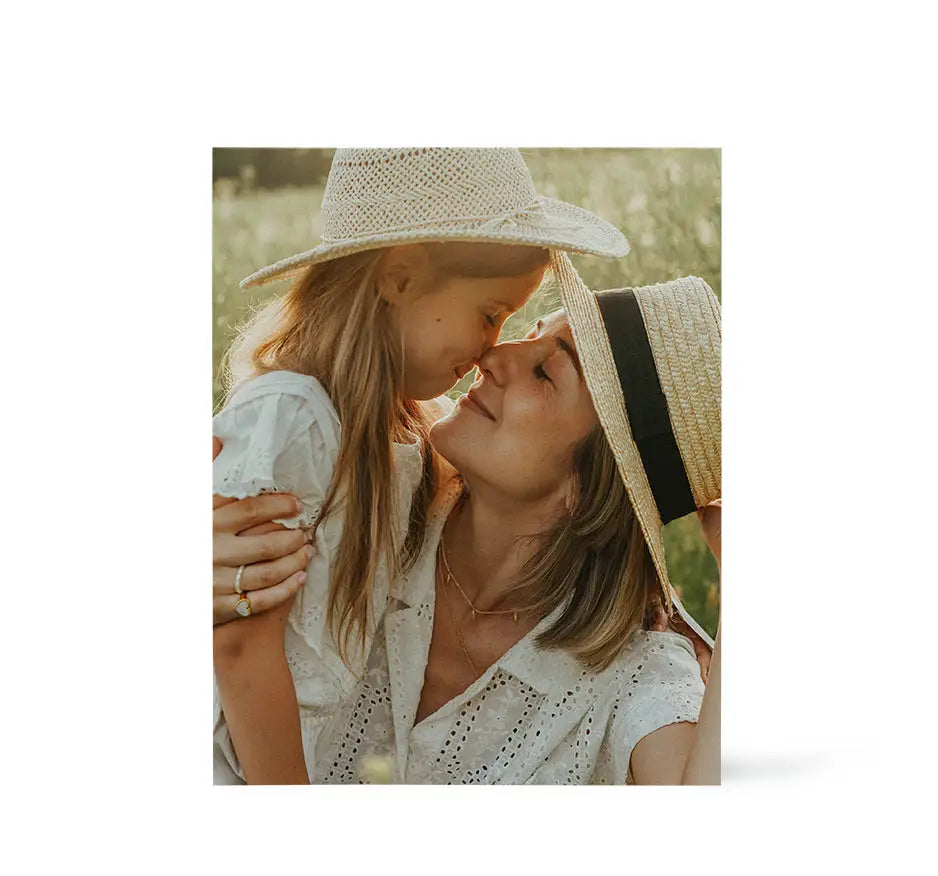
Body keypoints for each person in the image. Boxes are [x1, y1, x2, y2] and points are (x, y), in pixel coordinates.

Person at [212, 148, 631, 784]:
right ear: (401, 278)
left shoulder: (403, 430)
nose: (493, 347)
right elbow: (239, 641)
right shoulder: (294, 417)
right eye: (490, 315)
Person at [213, 268, 722, 784]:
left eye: (545, 372)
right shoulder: (360, 484)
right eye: (526, 336)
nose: (494, 358)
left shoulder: (637, 671)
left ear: (591, 487)